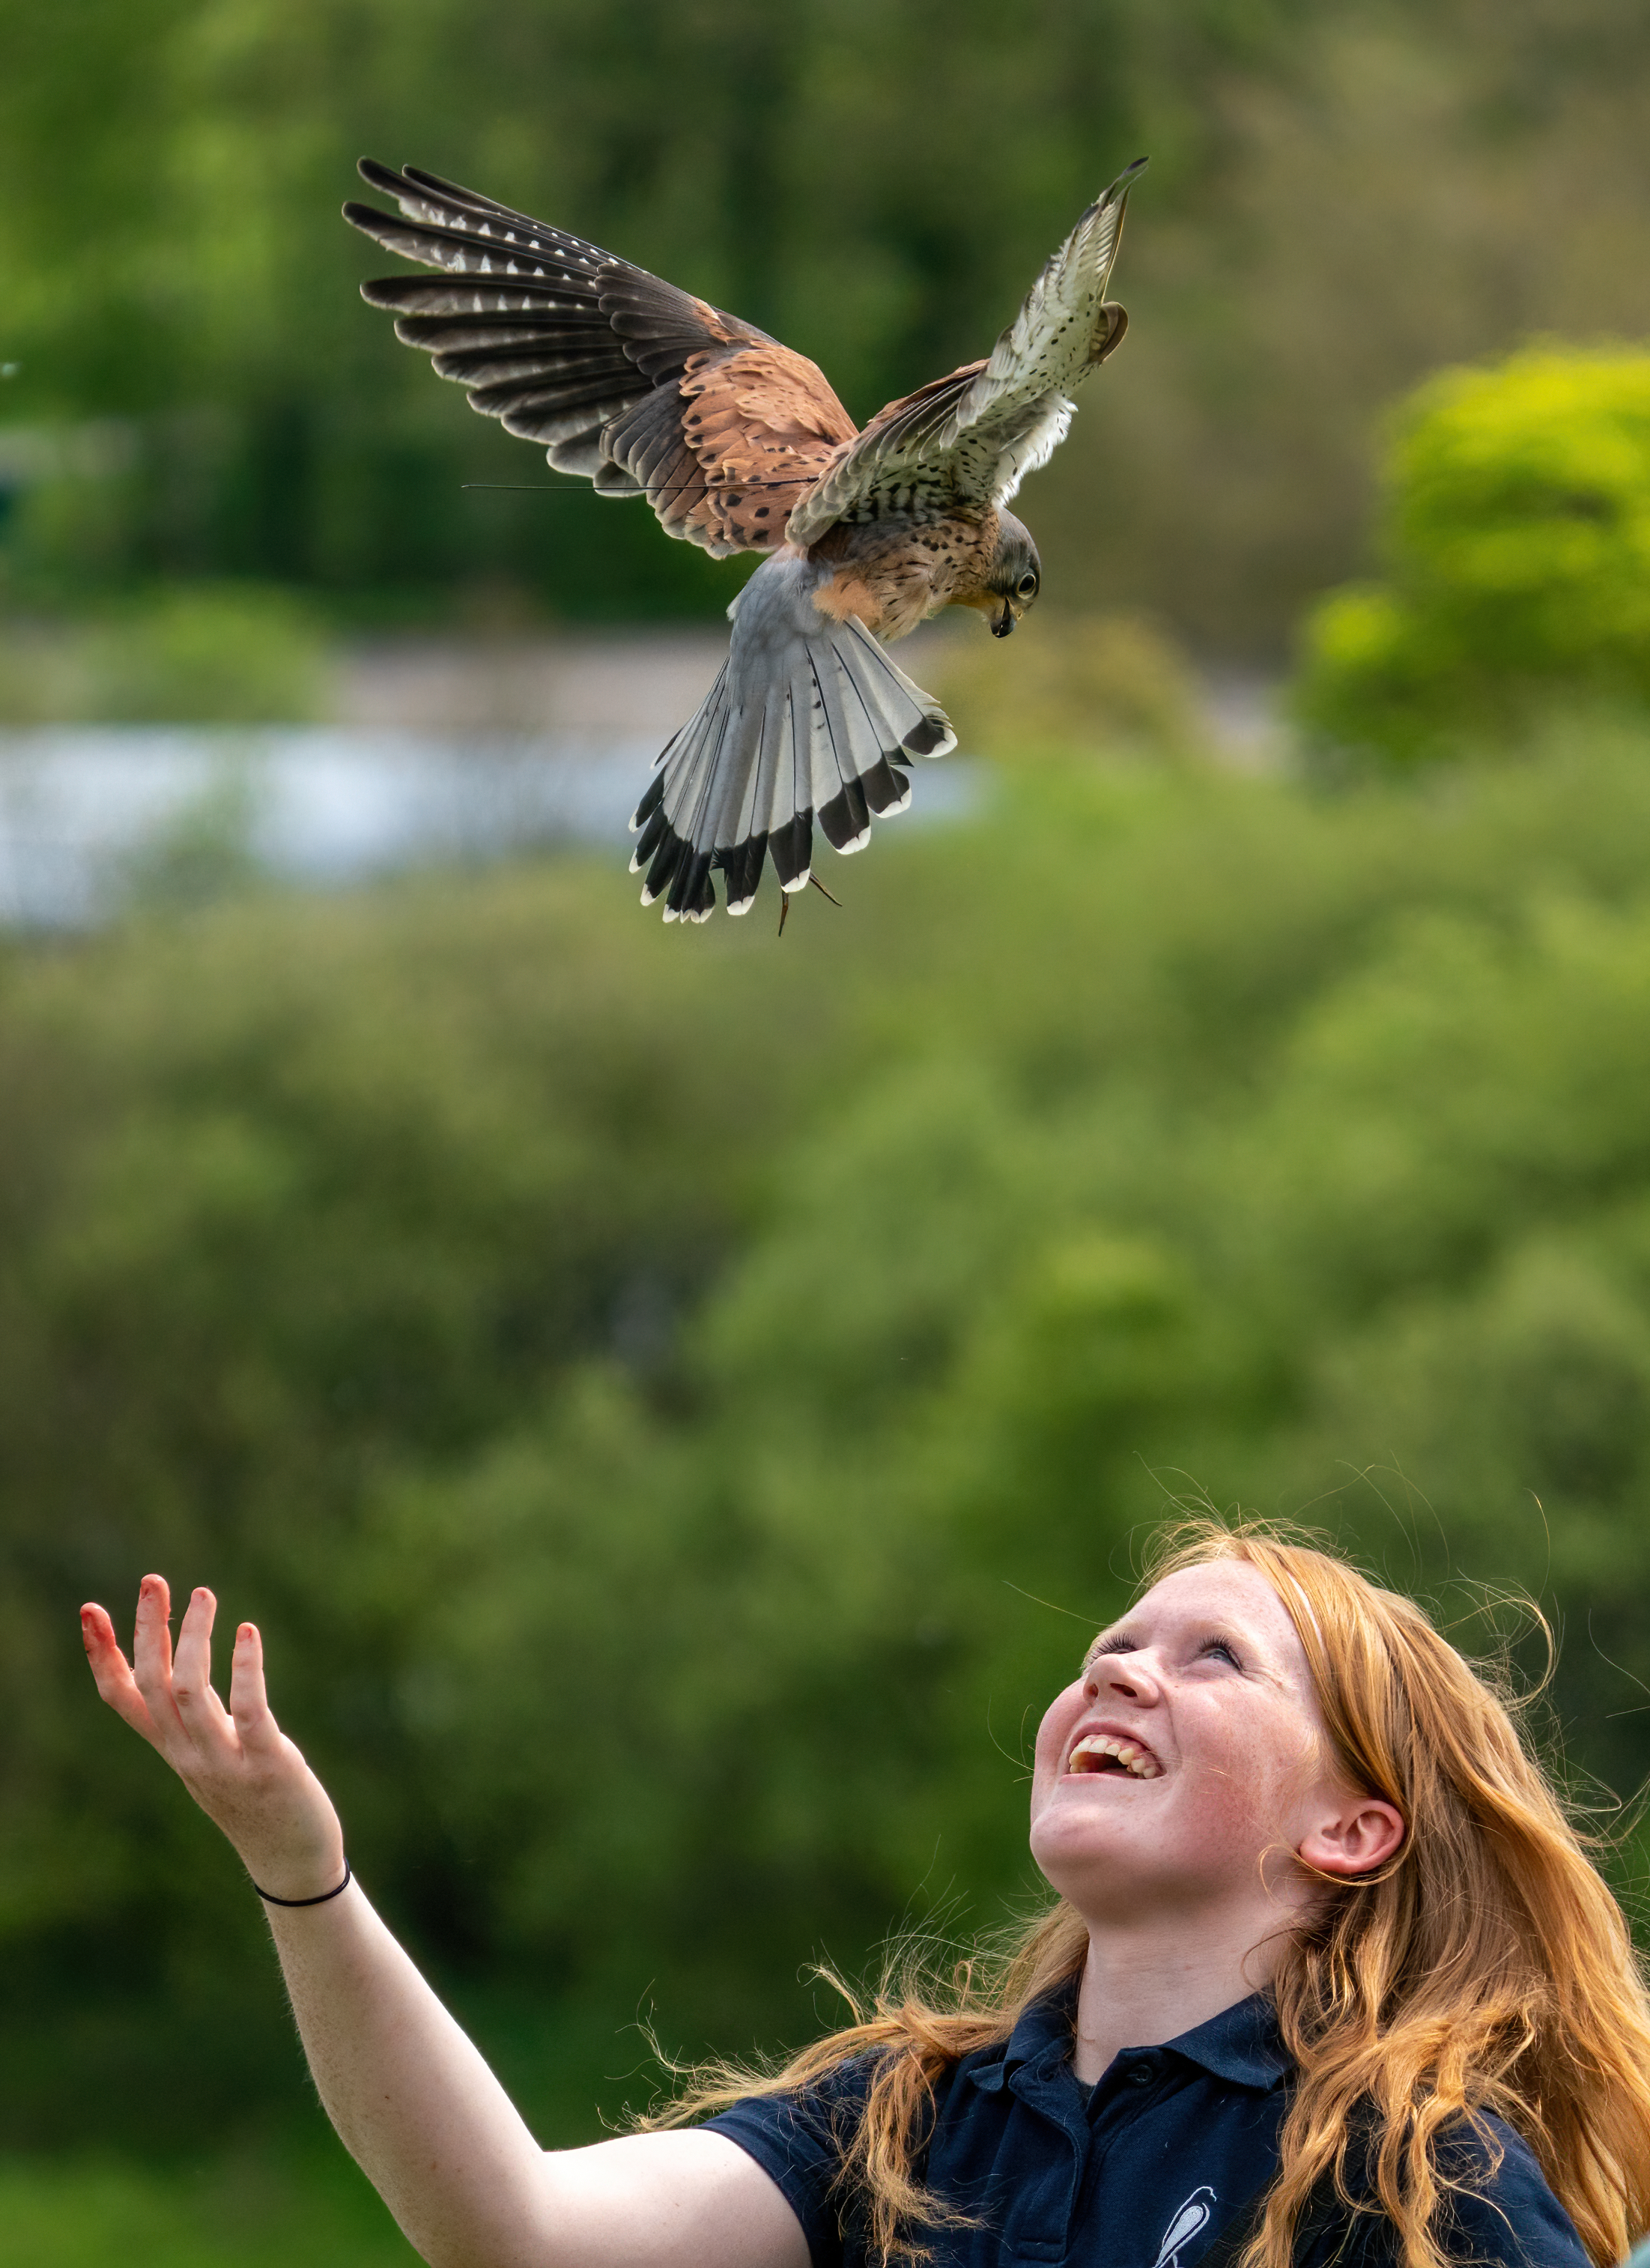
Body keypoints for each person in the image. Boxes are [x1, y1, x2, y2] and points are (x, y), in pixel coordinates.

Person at [81, 1517, 1650, 2267]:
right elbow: (515, 2229)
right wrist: (303, 1871)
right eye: (1111, 1639)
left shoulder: (1417, 2177)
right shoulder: (900, 2123)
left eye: (1214, 1655)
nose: (1116, 1662)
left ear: (1352, 1831)